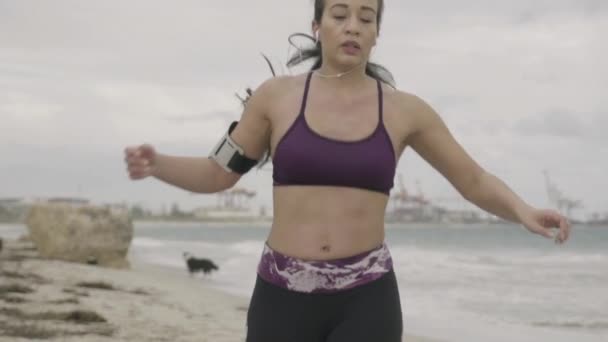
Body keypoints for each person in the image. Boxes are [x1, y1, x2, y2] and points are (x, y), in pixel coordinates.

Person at [124, 0, 571, 341]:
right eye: (339, 14)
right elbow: (218, 173)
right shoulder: (275, 98)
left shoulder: (405, 111)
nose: (353, 26)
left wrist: (523, 211)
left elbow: (472, 179)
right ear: (317, 26)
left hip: (366, 297)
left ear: (377, 33)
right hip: (281, 294)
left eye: (366, 17)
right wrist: (158, 164)